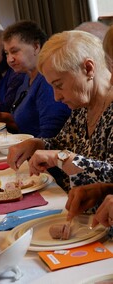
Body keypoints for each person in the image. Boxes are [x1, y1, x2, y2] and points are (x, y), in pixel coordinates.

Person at [7, 30, 113, 192]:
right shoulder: (83, 105)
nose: (56, 97)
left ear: (88, 68)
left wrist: (60, 158)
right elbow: (62, 143)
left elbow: (110, 175)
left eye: (59, 85)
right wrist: (37, 144)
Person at [0, 20, 71, 137]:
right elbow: (27, 122)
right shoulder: (27, 78)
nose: (10, 59)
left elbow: (51, 135)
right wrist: (1, 117)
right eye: (7, 53)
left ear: (36, 47)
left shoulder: (47, 82)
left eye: (14, 51)